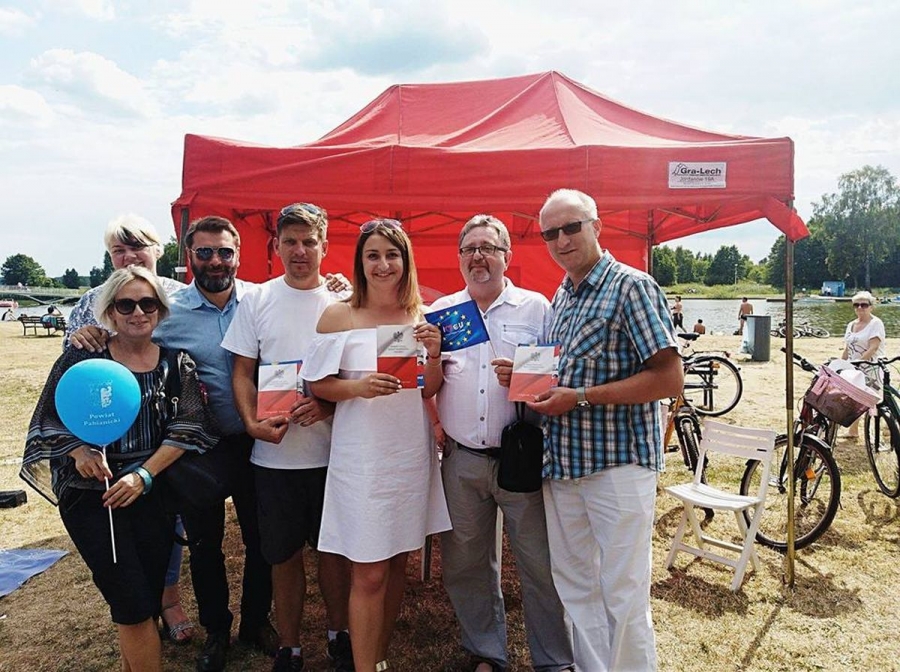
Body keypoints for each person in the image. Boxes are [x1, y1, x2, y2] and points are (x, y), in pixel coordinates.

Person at [20, 267, 218, 672]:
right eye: (126, 304)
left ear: (160, 310)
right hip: (92, 496)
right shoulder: (83, 358)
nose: (138, 313)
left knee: (146, 597)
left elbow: (189, 426)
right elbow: (49, 418)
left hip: (153, 493)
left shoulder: (177, 363)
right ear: (110, 310)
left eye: (147, 303)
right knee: (132, 604)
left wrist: (144, 475)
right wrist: (78, 452)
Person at [522, 189, 683, 672]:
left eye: (571, 227)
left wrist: (581, 396)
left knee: (624, 592)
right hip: (564, 465)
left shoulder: (631, 286)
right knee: (577, 587)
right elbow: (565, 374)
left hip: (618, 464)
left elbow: (669, 379)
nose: (561, 240)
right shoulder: (562, 295)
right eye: (550, 232)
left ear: (597, 226)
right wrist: (527, 378)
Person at [304, 218, 451, 672]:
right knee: (368, 570)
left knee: (396, 563)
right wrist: (358, 387)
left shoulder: (421, 316)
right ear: (360, 262)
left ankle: (379, 658)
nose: (383, 264)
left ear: (406, 261)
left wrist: (435, 354)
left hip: (408, 452)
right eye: (373, 255)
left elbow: (428, 390)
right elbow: (317, 384)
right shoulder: (339, 315)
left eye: (392, 254)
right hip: (362, 458)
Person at [429, 214, 573, 672]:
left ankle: (554, 660)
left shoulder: (536, 308)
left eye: (488, 248)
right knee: (465, 565)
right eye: (469, 248)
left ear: (507, 256)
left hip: (521, 458)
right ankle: (487, 652)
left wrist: (524, 379)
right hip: (461, 460)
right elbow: (430, 383)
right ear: (459, 258)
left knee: (539, 564)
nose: (478, 257)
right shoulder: (444, 313)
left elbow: (555, 378)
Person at [223, 203, 353, 672]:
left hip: (334, 454)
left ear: (324, 246)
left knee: (334, 553)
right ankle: (290, 646)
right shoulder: (257, 300)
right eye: (291, 242)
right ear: (276, 246)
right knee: (282, 556)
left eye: (309, 241)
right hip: (274, 458)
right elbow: (242, 371)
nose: (300, 251)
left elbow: (358, 374)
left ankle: (340, 635)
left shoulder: (344, 301)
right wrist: (251, 423)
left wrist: (330, 405)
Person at [66, 214, 194, 644]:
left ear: (159, 249)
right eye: (118, 250)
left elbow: (241, 298)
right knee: (126, 564)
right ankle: (140, 614)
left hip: (165, 441)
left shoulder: (184, 295)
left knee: (169, 530)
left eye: (138, 246)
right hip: (111, 446)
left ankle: (168, 600)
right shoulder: (91, 302)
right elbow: (70, 384)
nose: (129, 256)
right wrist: (82, 338)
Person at [842, 290, 886, 439]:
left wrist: (859, 362)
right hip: (853, 368)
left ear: (871, 306)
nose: (860, 308)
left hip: (871, 367)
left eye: (864, 305)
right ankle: (853, 430)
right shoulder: (851, 324)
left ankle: (884, 428)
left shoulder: (875, 323)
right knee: (853, 398)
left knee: (873, 400)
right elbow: (847, 348)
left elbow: (873, 347)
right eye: (856, 305)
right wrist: (842, 364)